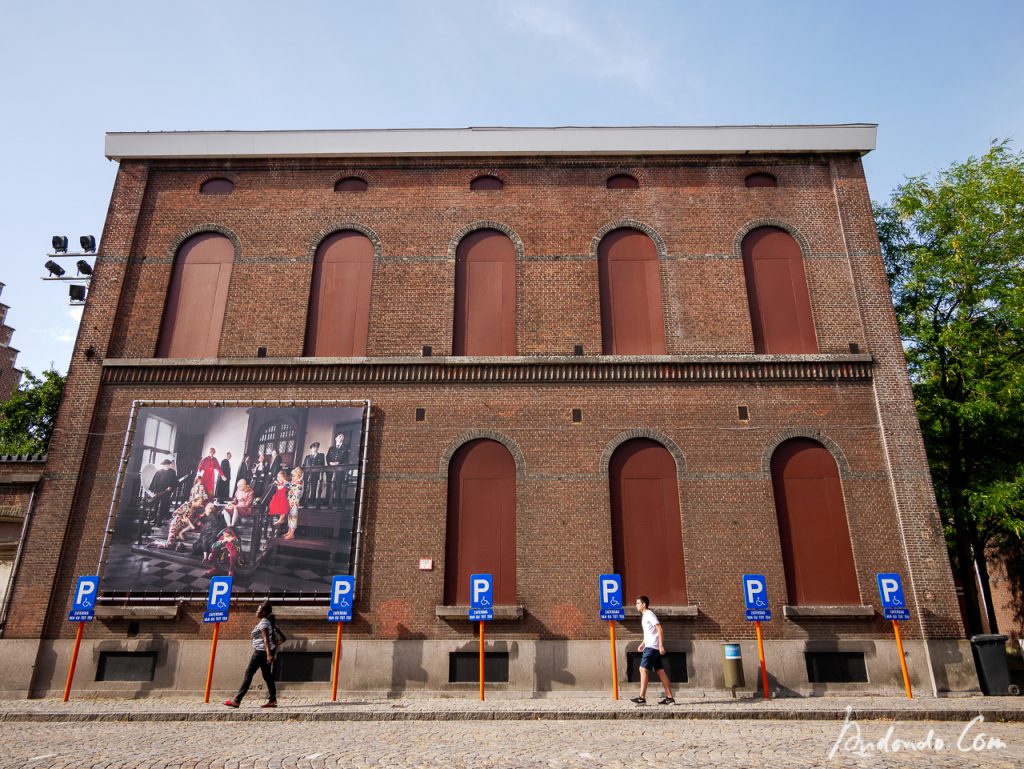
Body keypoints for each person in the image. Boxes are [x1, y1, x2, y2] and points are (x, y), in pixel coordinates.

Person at [223, 601, 278, 709]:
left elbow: (266, 639)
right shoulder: (265, 621)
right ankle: (272, 700)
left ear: (263, 612)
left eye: (258, 610)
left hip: (261, 652)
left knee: (249, 673)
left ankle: (237, 701)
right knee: (267, 675)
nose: (256, 611)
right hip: (264, 652)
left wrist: (269, 655)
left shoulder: (264, 623)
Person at [630, 596, 675, 705]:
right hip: (650, 645)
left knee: (642, 669)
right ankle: (669, 698)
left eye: (638, 603)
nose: (636, 605)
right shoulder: (645, 616)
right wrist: (643, 643)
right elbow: (651, 633)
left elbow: (659, 628)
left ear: (644, 604)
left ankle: (641, 698)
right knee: (660, 671)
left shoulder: (649, 614)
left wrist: (661, 646)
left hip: (652, 647)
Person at [148, 458, 177, 525]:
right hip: (159, 491)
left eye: (168, 464)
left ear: (169, 465)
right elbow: (155, 482)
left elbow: (174, 481)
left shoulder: (172, 472)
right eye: (165, 465)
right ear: (163, 465)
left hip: (167, 491)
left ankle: (162, 518)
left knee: (165, 504)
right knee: (156, 505)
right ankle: (154, 518)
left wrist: (171, 486)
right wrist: (155, 491)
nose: (166, 466)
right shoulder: (159, 472)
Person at [282, 466, 304, 540]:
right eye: (292, 476)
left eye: (294, 476)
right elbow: (290, 486)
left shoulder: (299, 483)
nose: (293, 477)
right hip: (291, 501)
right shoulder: (294, 482)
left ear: (299, 476)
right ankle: (289, 531)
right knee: (290, 517)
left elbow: (295, 491)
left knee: (293, 517)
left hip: (295, 503)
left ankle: (292, 533)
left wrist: (285, 482)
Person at [268, 470, 290, 536]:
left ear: (284, 476)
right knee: (274, 505)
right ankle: (278, 517)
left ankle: (281, 519)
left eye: (281, 476)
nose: (280, 478)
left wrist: (284, 482)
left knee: (283, 507)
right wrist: (277, 483)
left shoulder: (285, 482)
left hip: (283, 497)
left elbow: (290, 486)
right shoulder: (278, 482)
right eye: (278, 476)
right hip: (277, 496)